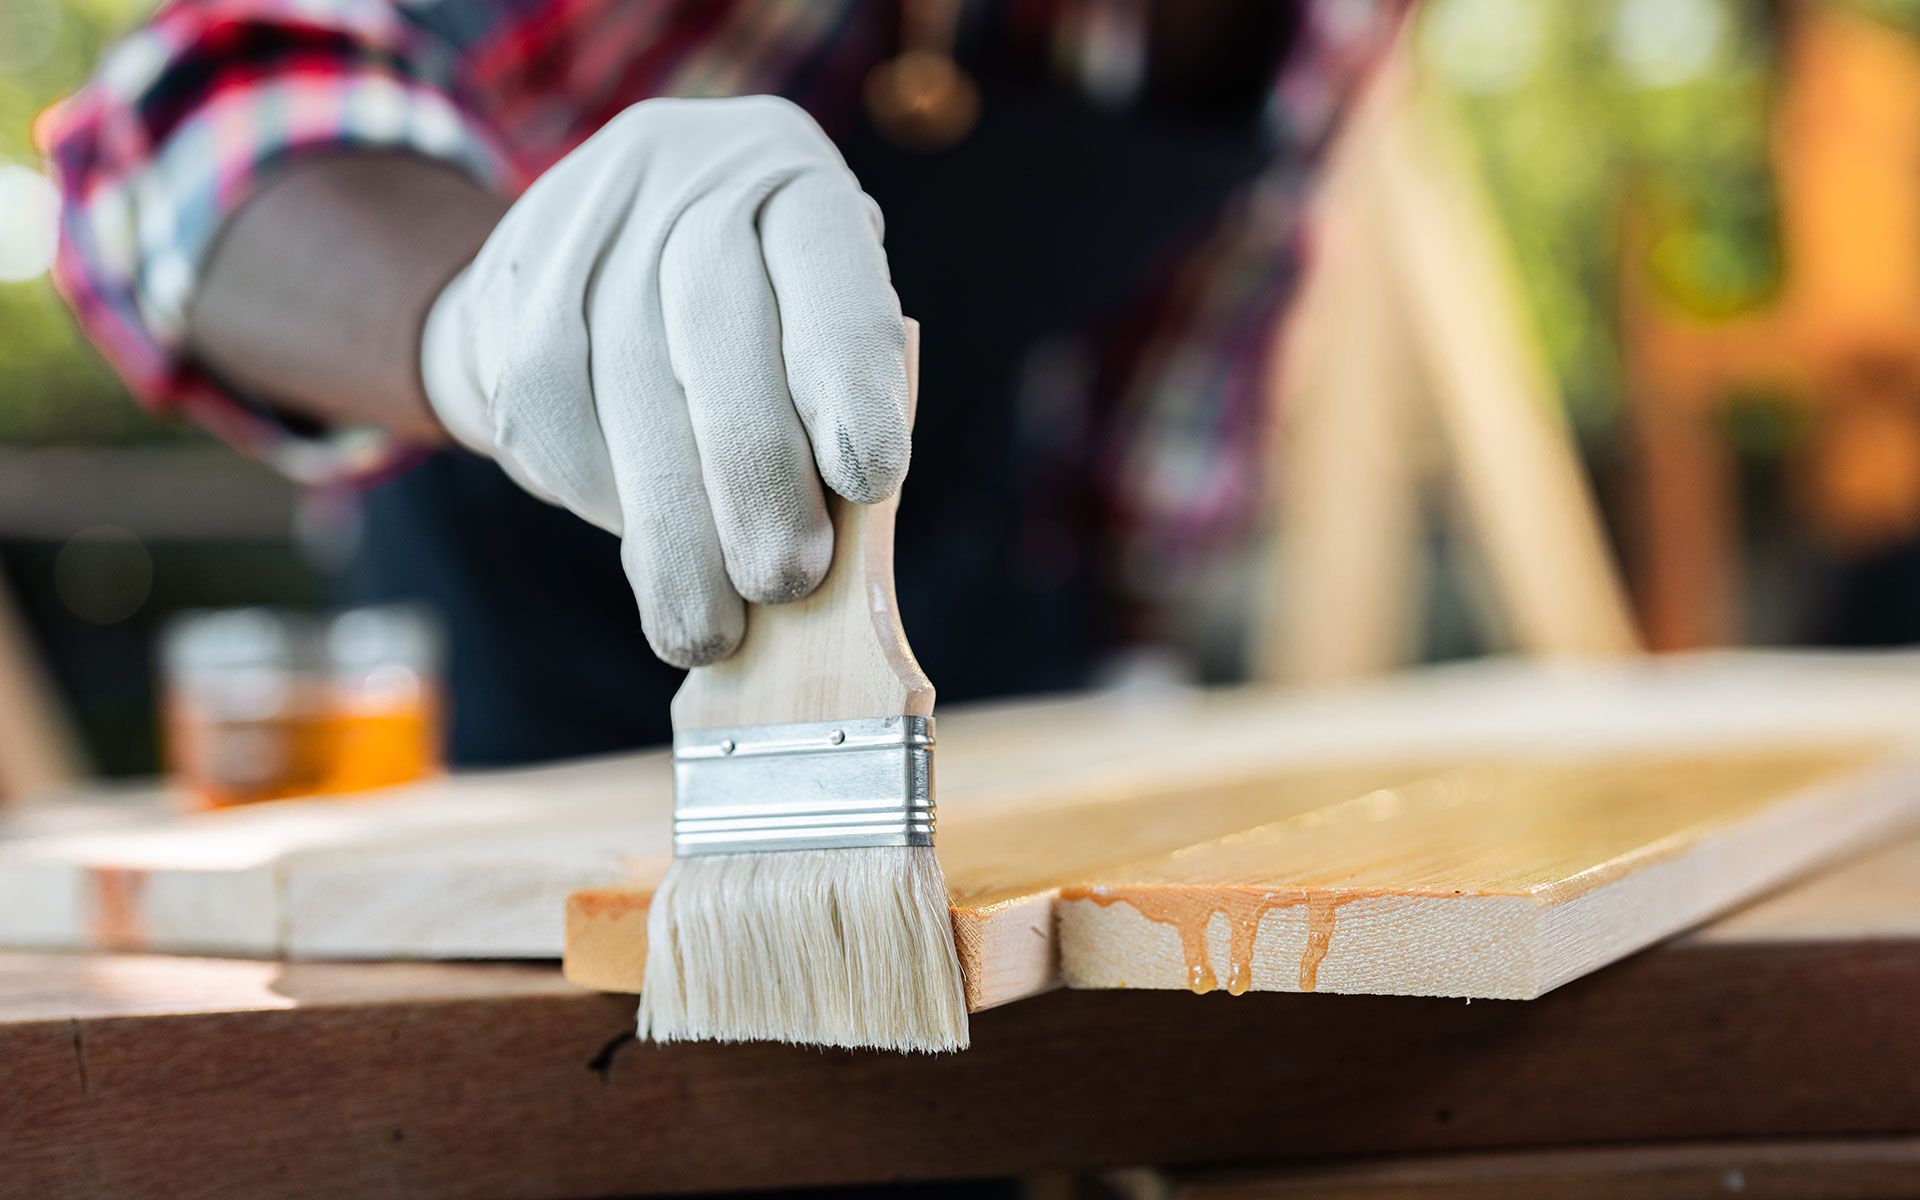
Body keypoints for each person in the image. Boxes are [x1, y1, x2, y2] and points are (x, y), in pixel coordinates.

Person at [45, 0, 1396, 765]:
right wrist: (478, 316)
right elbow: (174, 128)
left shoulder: (1333, 24)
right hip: (520, 721)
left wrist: (1131, 695)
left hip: (976, 746)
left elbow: (1170, 396)